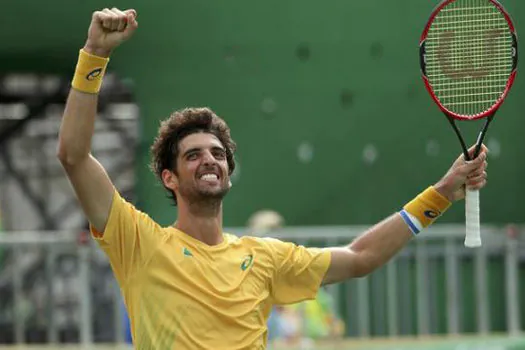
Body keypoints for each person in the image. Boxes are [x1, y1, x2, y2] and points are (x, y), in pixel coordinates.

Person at [57, 8, 489, 350]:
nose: (210, 160)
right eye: (194, 155)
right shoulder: (140, 243)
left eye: (217, 153)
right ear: (168, 178)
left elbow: (360, 257)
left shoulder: (264, 258)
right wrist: (95, 54)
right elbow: (74, 156)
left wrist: (442, 193)